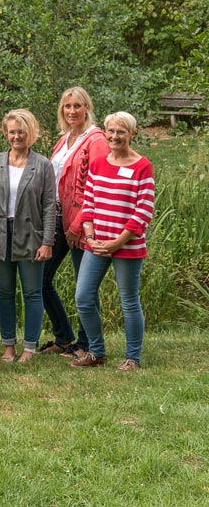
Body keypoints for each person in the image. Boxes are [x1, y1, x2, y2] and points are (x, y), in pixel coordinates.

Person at [71, 112, 155, 371]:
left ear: (132, 134)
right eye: (111, 131)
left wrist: (118, 242)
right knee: (83, 297)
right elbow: (89, 204)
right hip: (96, 245)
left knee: (128, 301)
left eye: (121, 131)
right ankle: (97, 352)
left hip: (127, 246)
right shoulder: (98, 164)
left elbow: (144, 211)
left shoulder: (143, 166)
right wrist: (91, 236)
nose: (115, 136)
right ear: (105, 132)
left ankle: (133, 357)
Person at [0, 109, 55, 363]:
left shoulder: (42, 164)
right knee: (5, 291)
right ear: (6, 133)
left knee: (32, 292)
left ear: (30, 133)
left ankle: (30, 347)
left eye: (21, 132)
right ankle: (8, 345)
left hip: (31, 235)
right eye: (12, 132)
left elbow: (48, 206)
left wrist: (47, 241)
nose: (16, 136)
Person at [40, 87, 108, 359]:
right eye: (67, 106)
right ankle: (64, 336)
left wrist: (77, 225)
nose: (72, 111)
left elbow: (97, 187)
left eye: (77, 106)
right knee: (40, 280)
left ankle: (87, 342)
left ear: (87, 108)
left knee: (85, 286)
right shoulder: (65, 138)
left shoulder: (96, 140)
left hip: (82, 221)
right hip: (56, 217)